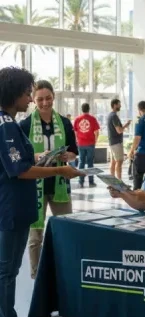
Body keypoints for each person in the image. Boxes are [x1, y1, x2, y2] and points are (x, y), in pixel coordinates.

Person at [0, 67, 83, 317]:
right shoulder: (8, 126)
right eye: (28, 94)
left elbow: (20, 161)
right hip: (11, 209)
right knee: (6, 271)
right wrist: (58, 169)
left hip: (16, 207)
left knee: (10, 271)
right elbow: (19, 169)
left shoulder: (11, 124)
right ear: (14, 94)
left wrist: (38, 158)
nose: (30, 99)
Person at [20, 80, 79, 280]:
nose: (45, 103)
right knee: (35, 237)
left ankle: (64, 275)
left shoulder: (64, 122)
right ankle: (37, 277)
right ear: (34, 100)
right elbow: (21, 158)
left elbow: (74, 152)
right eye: (40, 99)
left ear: (54, 97)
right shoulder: (25, 125)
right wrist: (38, 156)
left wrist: (67, 156)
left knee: (65, 231)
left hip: (60, 184)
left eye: (48, 98)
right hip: (35, 186)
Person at [73, 103, 100, 188]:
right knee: (90, 163)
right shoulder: (93, 119)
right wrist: (95, 141)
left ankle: (81, 181)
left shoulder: (77, 119)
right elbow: (97, 132)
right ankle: (91, 182)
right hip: (90, 143)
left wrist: (77, 140)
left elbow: (75, 132)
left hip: (80, 144)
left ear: (82, 109)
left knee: (81, 162)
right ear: (89, 109)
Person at [107, 98, 131, 179]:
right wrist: (126, 125)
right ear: (114, 105)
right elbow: (119, 130)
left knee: (113, 162)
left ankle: (113, 182)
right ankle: (119, 182)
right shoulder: (114, 116)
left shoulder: (110, 115)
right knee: (119, 162)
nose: (120, 105)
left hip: (112, 142)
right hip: (116, 143)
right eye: (119, 104)